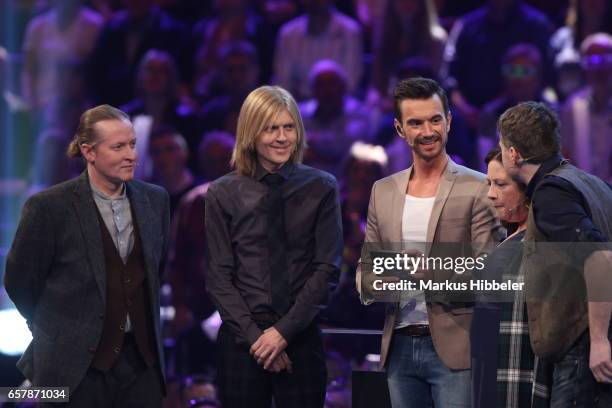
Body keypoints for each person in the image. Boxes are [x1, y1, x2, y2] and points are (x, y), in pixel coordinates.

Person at [4, 104, 170, 406]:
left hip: (141, 364)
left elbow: (158, 269)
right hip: (73, 367)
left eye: (132, 144)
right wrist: (52, 329)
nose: (131, 155)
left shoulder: (155, 200)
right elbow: (19, 282)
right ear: (88, 151)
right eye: (118, 147)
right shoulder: (49, 207)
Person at [355, 77, 501, 408]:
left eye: (435, 119)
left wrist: (426, 271)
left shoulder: (477, 187)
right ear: (399, 129)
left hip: (456, 348)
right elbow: (366, 276)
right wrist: (397, 276)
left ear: (449, 120)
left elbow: (488, 271)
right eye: (416, 123)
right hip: (399, 348)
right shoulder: (383, 190)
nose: (428, 131)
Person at [204, 85, 343, 407]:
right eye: (270, 128)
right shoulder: (222, 193)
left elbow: (327, 269)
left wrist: (282, 334)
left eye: (288, 127)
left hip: (301, 336)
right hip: (242, 342)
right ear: (251, 133)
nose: (282, 137)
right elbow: (219, 276)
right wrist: (258, 339)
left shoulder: (321, 188)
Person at [498, 101, 612, 406]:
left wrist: (599, 341)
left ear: (513, 154)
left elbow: (601, 258)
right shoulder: (591, 182)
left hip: (583, 355)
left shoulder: (551, 193)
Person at [471, 147, 551, 407]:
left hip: (514, 386)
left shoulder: (532, 249)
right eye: (488, 184)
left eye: (500, 184)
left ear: (527, 188)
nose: (490, 194)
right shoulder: (509, 242)